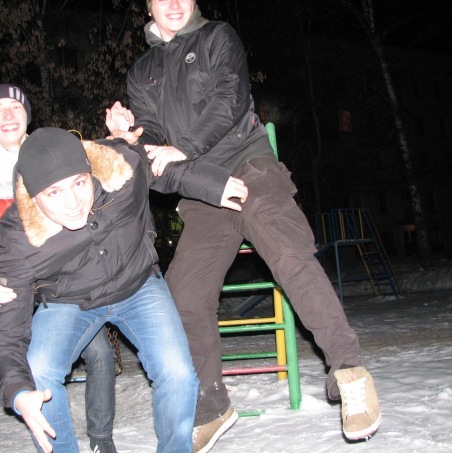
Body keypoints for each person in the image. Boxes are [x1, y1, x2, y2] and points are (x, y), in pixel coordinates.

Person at [106, 0, 382, 451]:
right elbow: (153, 141)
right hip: (203, 190)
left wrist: (182, 148)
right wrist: (133, 136)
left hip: (249, 166)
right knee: (183, 294)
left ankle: (349, 371)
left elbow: (230, 100)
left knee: (288, 252)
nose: (173, 4)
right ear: (148, 5)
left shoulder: (218, 37)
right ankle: (212, 404)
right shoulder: (143, 71)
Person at [0, 127, 248, 453]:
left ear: (90, 172)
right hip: (68, 301)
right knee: (37, 372)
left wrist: (213, 184)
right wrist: (19, 392)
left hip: (138, 284)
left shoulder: (119, 169)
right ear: (34, 197)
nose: (72, 202)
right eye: (54, 193)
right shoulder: (18, 238)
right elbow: (3, 330)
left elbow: (163, 168)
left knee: (178, 373)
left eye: (79, 183)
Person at [0, 85, 118, 453]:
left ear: (28, 115)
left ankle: (101, 438)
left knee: (100, 353)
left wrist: (118, 140)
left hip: (63, 278)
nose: (8, 115)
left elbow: (101, 190)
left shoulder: (54, 151)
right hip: (13, 278)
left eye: (15, 107)